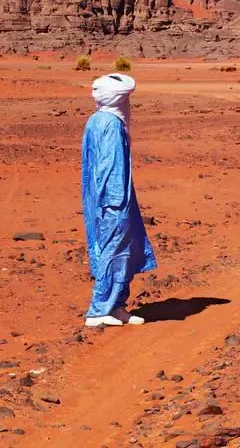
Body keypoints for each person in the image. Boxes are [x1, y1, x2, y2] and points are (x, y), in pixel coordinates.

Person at [81, 72, 156, 327]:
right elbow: (109, 165)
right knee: (114, 250)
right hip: (113, 200)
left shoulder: (96, 119)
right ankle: (99, 309)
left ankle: (116, 307)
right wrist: (116, 203)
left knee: (120, 250)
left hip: (103, 197)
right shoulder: (110, 124)